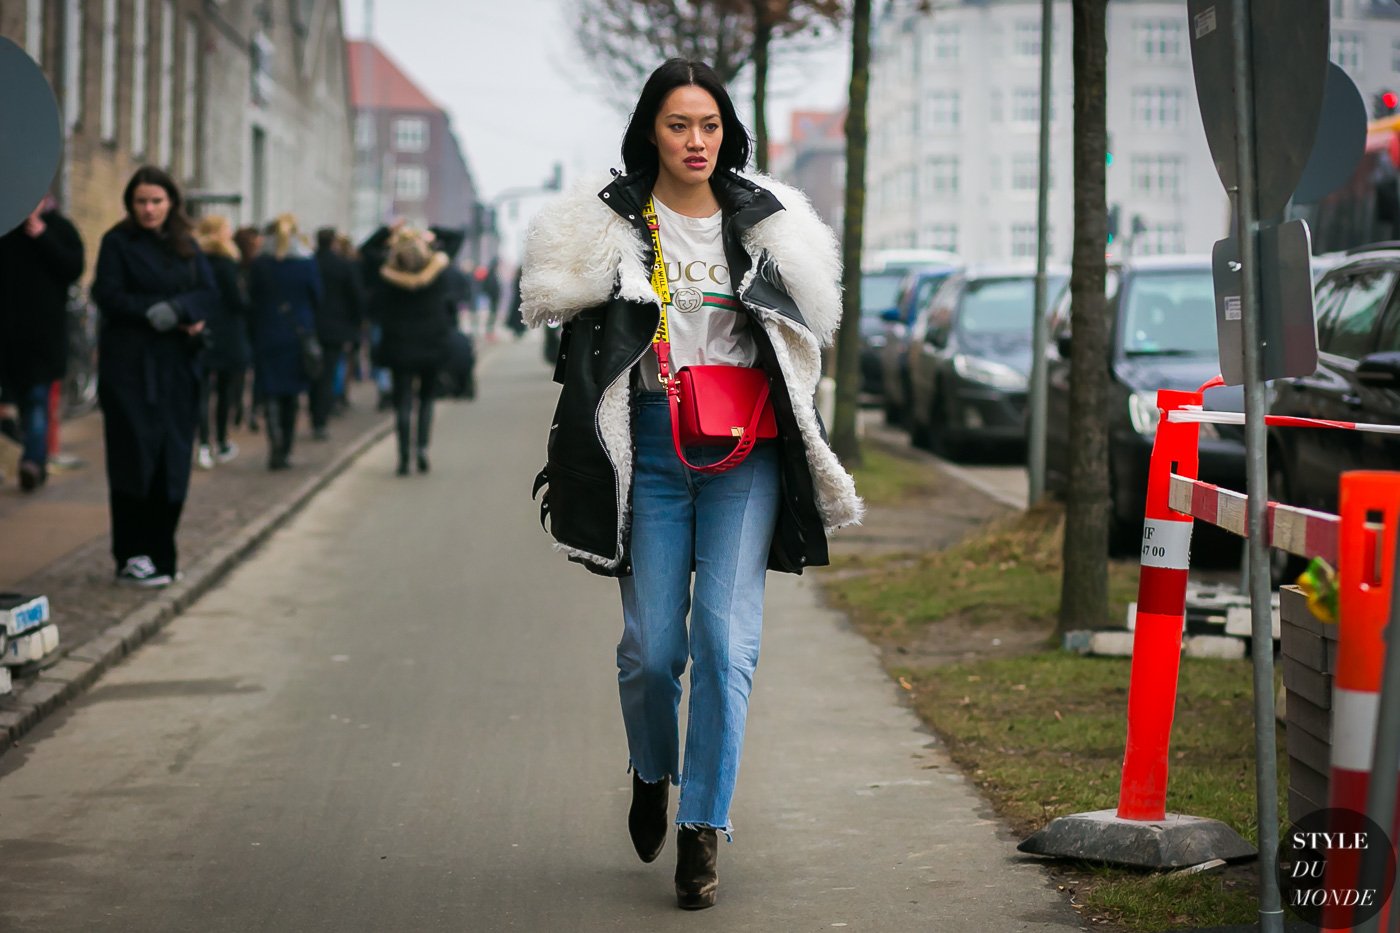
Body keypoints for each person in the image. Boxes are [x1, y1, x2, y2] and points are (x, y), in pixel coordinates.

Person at [519, 59, 862, 910]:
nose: (696, 141)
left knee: (724, 642)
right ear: (651, 132)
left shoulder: (769, 224)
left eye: (708, 125)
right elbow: (552, 310)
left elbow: (811, 330)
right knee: (650, 651)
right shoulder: (611, 223)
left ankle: (703, 827)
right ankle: (650, 768)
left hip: (743, 454)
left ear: (726, 132)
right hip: (652, 453)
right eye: (679, 125)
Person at [91, 166, 215, 587]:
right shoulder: (117, 243)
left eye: (156, 201)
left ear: (170, 204)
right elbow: (107, 295)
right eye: (142, 201)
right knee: (132, 459)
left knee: (172, 459)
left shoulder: (185, 246)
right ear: (131, 203)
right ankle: (132, 554)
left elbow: (208, 292)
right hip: (130, 370)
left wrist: (182, 312)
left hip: (178, 369)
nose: (149, 209)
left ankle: (163, 551)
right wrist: (155, 313)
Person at [0, 195, 84, 491]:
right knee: (10, 404)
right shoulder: (6, 231)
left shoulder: (59, 228)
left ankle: (32, 463)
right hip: (7, 341)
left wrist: (43, 237)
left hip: (43, 340)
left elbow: (73, 267)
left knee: (36, 403)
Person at [366, 227, 454, 476]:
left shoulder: (387, 277)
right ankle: (422, 449)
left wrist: (388, 231)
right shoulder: (437, 274)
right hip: (430, 346)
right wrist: (430, 233)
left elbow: (367, 251)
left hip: (399, 347)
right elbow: (455, 238)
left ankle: (403, 457)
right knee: (426, 400)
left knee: (402, 402)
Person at [248, 214, 321, 470]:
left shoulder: (261, 264)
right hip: (296, 334)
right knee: (291, 394)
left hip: (267, 332)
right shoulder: (306, 264)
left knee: (270, 391)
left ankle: (275, 442)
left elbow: (252, 297)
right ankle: (286, 447)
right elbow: (316, 296)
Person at [193, 215, 251, 469]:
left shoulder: (194, 260)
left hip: (201, 329)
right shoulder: (227, 264)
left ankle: (204, 444)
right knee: (225, 391)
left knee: (202, 392)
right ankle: (221, 441)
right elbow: (236, 301)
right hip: (226, 333)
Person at [310, 227, 364, 439]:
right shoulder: (343, 266)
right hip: (335, 328)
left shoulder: (311, 263)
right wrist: (355, 325)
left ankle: (317, 412)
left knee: (313, 372)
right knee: (328, 373)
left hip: (313, 326)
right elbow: (356, 298)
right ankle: (321, 419)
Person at [233, 225, 263, 431]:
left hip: (242, 323)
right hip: (250, 323)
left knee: (240, 372)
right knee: (251, 370)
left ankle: (240, 409)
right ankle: (250, 410)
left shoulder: (238, 264)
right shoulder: (256, 265)